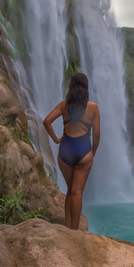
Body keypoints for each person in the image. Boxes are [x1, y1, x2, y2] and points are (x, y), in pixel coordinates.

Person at [43, 73, 101, 229]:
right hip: (83, 150)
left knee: (70, 191)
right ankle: (75, 232)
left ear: (71, 87)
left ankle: (68, 228)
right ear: (86, 88)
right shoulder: (93, 108)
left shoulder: (63, 105)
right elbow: (96, 134)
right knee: (77, 192)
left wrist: (56, 139)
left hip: (66, 149)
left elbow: (47, 121)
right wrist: (92, 153)